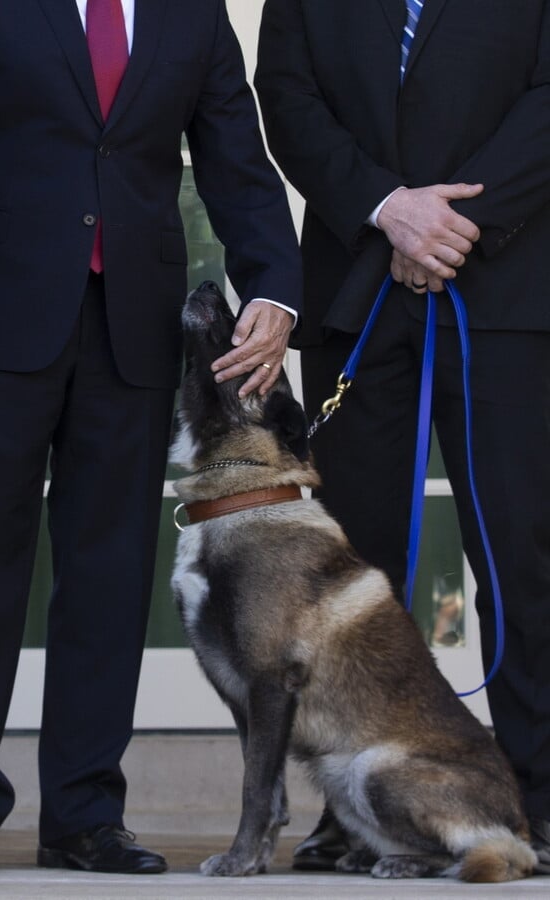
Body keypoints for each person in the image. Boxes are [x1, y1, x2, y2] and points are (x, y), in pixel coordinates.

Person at [0, 0, 301, 877]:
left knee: (108, 577)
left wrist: (274, 289)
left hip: (132, 330)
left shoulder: (192, 14)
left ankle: (83, 815)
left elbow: (238, 162)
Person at [255, 0, 550, 875]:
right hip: (360, 290)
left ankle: (535, 793)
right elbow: (287, 97)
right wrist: (388, 209)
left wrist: (450, 224)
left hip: (508, 293)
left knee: (523, 553)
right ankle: (358, 815)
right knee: (355, 570)